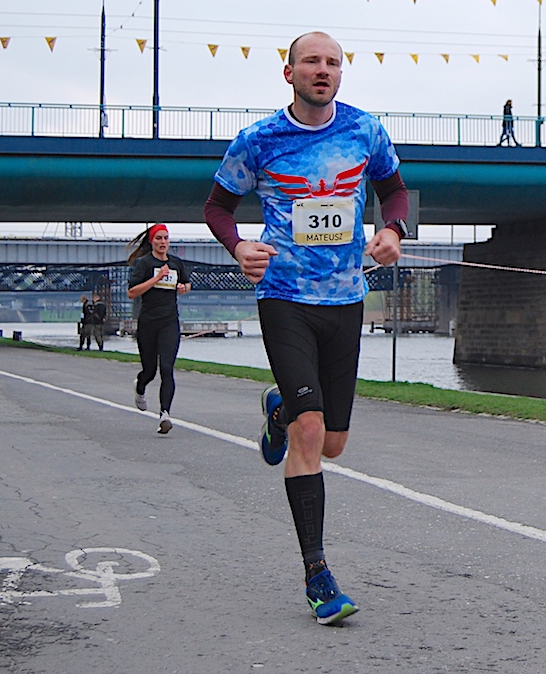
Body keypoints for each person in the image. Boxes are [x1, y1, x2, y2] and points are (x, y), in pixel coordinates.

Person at [204, 31, 409, 625]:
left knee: (333, 443)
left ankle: (278, 411)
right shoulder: (259, 140)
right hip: (284, 297)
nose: (323, 70)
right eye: (312, 61)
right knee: (311, 431)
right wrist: (238, 245)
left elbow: (394, 190)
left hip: (346, 299)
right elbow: (217, 206)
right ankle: (318, 576)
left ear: (341, 74)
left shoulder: (365, 131)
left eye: (333, 63)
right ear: (289, 72)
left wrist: (392, 230)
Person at [127, 224, 191, 434]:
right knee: (150, 371)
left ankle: (165, 414)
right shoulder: (144, 264)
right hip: (148, 322)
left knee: (166, 368)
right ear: (152, 241)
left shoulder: (176, 263)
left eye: (166, 238)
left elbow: (186, 283)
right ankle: (140, 386)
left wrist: (183, 288)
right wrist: (156, 278)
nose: (163, 242)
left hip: (169, 322)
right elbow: (132, 292)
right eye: (159, 238)